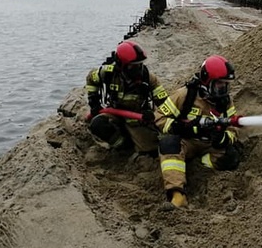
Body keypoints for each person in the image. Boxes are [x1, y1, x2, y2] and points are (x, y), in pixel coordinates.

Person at [154, 55, 243, 210]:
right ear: (207, 81)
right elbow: (159, 117)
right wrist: (181, 128)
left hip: (209, 145)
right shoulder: (184, 95)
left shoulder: (225, 102)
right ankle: (177, 195)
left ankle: (198, 164)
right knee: (168, 144)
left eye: (226, 85)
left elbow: (232, 129)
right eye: (219, 84)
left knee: (232, 156)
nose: (223, 89)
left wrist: (222, 138)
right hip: (186, 143)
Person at [85, 41, 168, 155]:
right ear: (121, 64)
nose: (138, 68)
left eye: (140, 64)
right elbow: (91, 78)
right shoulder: (108, 73)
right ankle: (124, 146)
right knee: (97, 124)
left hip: (137, 119)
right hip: (114, 113)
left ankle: (135, 140)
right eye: (133, 66)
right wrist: (94, 102)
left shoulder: (148, 79)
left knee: (149, 150)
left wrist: (153, 115)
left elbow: (165, 103)